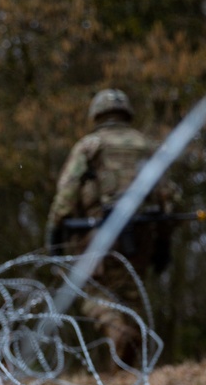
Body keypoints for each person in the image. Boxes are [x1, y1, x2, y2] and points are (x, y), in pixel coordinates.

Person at [45, 89, 175, 365]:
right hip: (143, 232)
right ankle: (131, 362)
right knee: (132, 292)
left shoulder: (90, 146)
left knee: (92, 291)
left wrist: (55, 233)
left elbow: (66, 194)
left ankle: (117, 332)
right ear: (127, 113)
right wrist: (164, 242)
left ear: (97, 115)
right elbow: (169, 198)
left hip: (97, 234)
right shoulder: (148, 146)